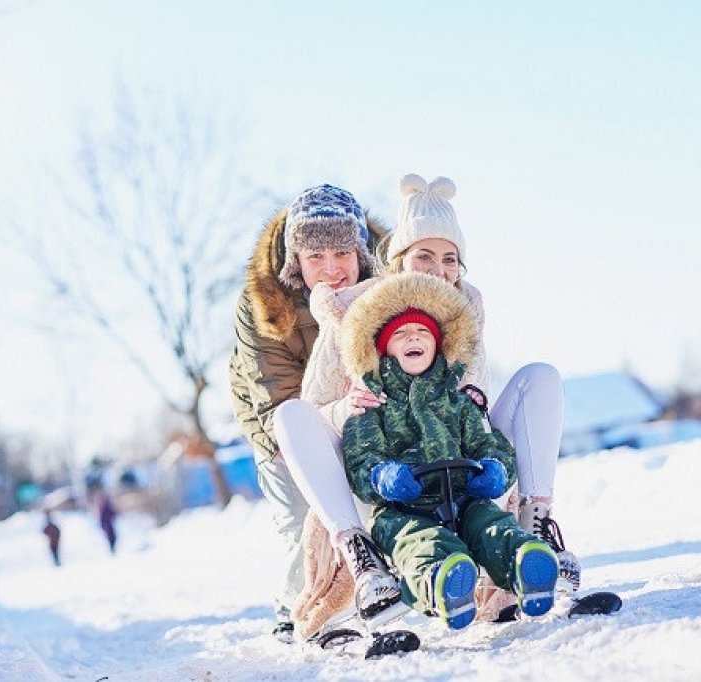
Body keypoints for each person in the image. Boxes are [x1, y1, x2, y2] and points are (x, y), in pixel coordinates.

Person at [279, 174, 579, 633]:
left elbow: (475, 406)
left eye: (449, 259)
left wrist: (488, 459)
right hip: (386, 482)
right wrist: (346, 411)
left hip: (463, 466)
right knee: (289, 416)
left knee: (540, 378)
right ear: (398, 260)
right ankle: (365, 564)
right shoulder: (353, 309)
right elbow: (313, 409)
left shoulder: (468, 306)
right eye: (424, 256)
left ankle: (533, 531)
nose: (438, 270)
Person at [339, 271, 559, 629]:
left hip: (464, 497)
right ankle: (440, 582)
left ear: (438, 346)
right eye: (401, 333)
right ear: (383, 349)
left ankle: (526, 566)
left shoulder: (458, 402)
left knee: (491, 525)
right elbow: (361, 459)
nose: (414, 336)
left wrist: (494, 468)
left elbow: (488, 443)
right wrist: (382, 475)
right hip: (404, 508)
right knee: (420, 542)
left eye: (423, 332)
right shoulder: (372, 406)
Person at [228, 184, 391, 641]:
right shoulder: (263, 302)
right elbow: (275, 394)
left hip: (355, 408)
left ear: (360, 250)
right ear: (295, 261)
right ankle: (297, 605)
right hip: (278, 416)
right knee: (305, 513)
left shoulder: (387, 282)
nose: (332, 269)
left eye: (342, 252)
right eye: (315, 257)